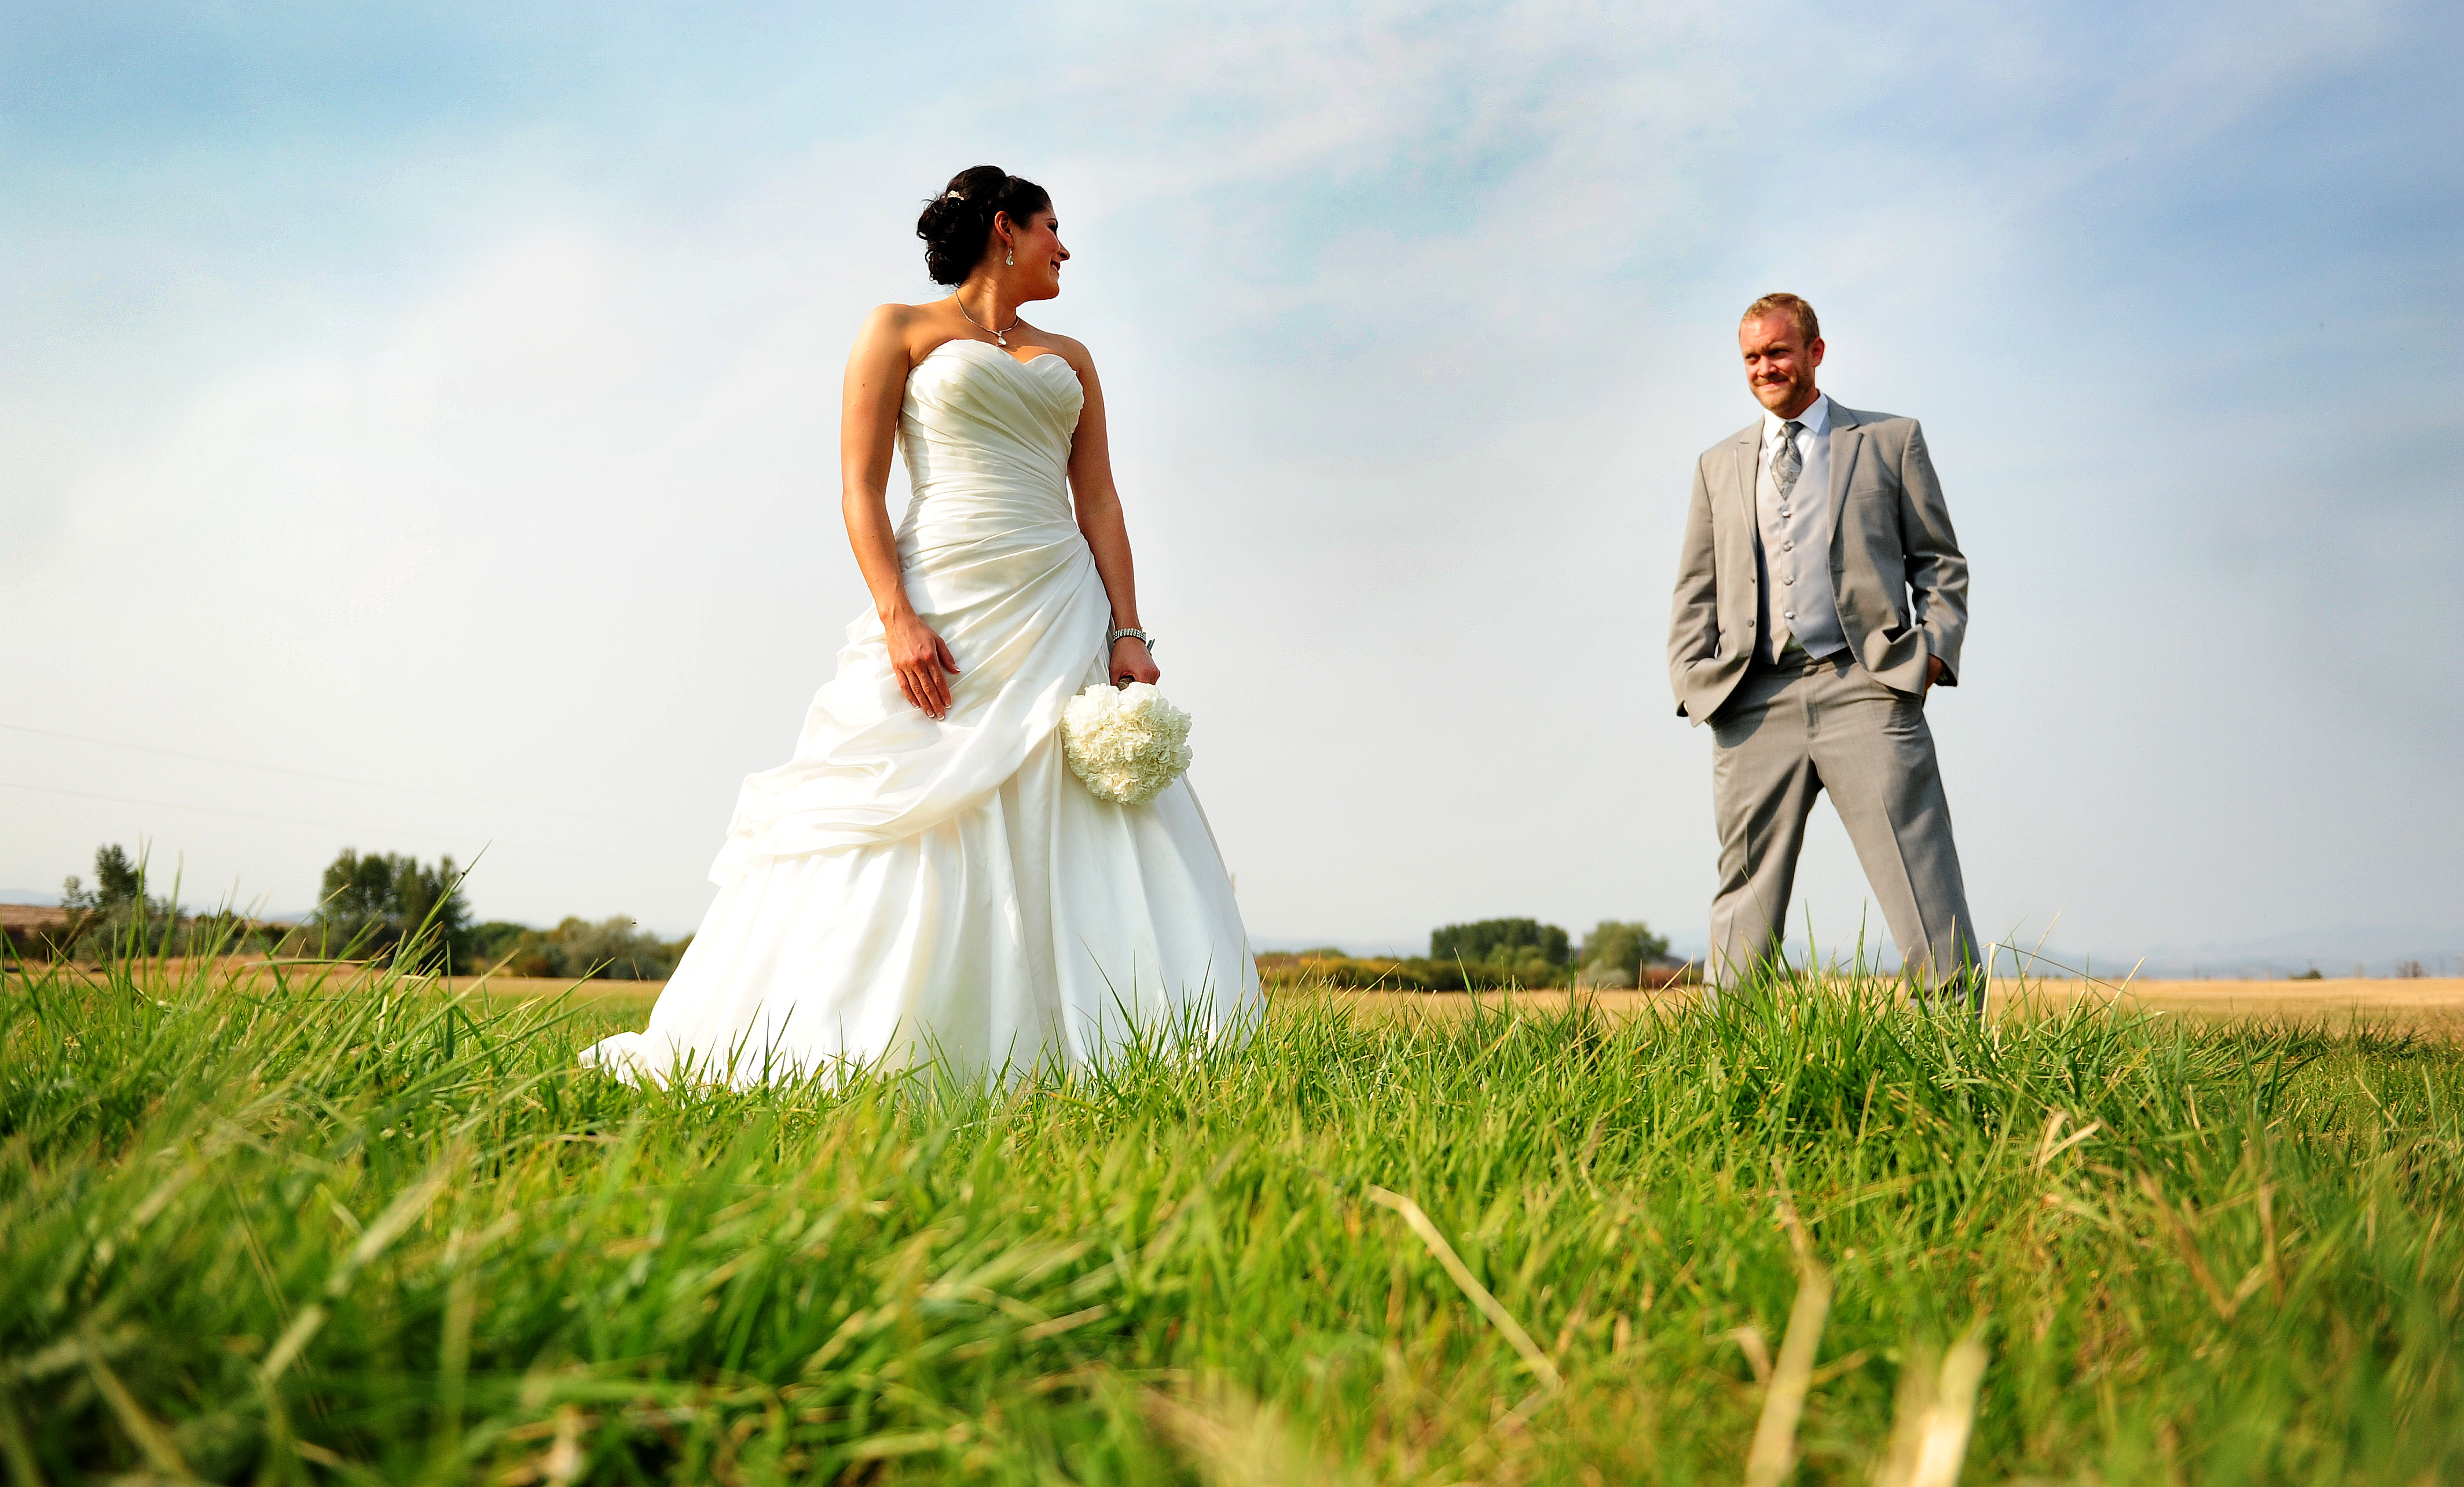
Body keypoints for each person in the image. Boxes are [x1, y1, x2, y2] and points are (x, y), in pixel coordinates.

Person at [586, 166, 1261, 1085]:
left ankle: (1109, 1042)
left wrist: (1129, 631)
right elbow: (859, 487)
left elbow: (1098, 498)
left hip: (1061, 600)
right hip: (944, 595)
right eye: (1053, 227)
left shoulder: (1074, 356)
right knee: (906, 795)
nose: (1066, 248)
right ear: (1003, 229)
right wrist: (897, 618)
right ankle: (870, 1036)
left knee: (1077, 810)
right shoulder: (898, 328)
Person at [1666, 293, 1981, 1003]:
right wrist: (1694, 681)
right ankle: (1728, 1065)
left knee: (1919, 876)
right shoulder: (1717, 464)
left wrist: (1929, 655)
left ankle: (1958, 1048)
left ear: (1814, 352)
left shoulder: (1889, 440)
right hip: (1752, 700)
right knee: (1742, 896)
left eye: (1777, 352)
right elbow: (1695, 587)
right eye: (1751, 357)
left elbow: (1939, 561)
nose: (1764, 368)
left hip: (1864, 688)